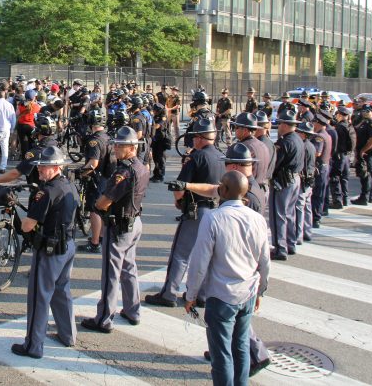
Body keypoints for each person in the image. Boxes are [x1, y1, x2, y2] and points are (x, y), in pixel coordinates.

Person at [184, 171, 270, 386]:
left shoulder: (213, 218)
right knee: (240, 347)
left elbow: (199, 261)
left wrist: (191, 293)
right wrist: (260, 290)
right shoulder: (257, 218)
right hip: (248, 290)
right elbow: (265, 261)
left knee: (222, 354)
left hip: (222, 294)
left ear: (223, 191)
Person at [146, 118, 225, 307]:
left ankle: (169, 293)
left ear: (199, 138)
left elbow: (180, 186)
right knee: (208, 254)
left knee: (181, 253)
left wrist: (179, 201)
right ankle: (203, 295)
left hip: (196, 210)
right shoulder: (222, 156)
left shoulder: (196, 157)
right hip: (216, 210)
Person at [11, 146, 79, 358]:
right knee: (61, 291)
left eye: (45, 166)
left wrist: (14, 207)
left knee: (39, 297)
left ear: (57, 167)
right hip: (67, 245)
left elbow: (28, 225)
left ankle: (33, 345)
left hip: (50, 249)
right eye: (39, 165)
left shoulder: (47, 191)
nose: (40, 169)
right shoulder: (69, 184)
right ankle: (68, 335)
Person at [80, 126, 149, 333]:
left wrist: (97, 206)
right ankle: (132, 310)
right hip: (134, 222)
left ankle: (104, 318)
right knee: (129, 269)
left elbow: (104, 201)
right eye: (116, 144)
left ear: (131, 147)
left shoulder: (124, 171)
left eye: (120, 145)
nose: (116, 147)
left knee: (111, 273)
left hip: (119, 226)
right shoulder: (141, 166)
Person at [269, 109, 304, 261]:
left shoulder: (284, 143)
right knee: (289, 214)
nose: (279, 127)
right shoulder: (298, 139)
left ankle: (280, 248)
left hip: (283, 181)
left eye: (280, 124)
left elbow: (275, 164)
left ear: (284, 125)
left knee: (278, 215)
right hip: (295, 179)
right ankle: (290, 243)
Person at [78, 108, 114, 253]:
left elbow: (94, 163)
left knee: (94, 209)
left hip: (97, 179)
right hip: (108, 177)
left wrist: (82, 172)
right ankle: (102, 237)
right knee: (104, 209)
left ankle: (94, 243)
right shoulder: (108, 137)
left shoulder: (94, 140)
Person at [351, 104, 372, 206]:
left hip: (368, 153)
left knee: (366, 175)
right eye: (364, 110)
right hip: (362, 152)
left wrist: (363, 150)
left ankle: (365, 197)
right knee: (364, 176)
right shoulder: (363, 122)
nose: (365, 112)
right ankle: (368, 196)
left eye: (368, 111)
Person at [294, 122, 317, 242]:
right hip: (310, 179)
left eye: (299, 132)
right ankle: (307, 231)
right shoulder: (311, 146)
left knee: (299, 208)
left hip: (303, 180)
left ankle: (298, 235)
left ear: (303, 134)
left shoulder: (303, 146)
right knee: (307, 207)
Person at [329, 106, 353, 208]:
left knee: (335, 178)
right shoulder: (349, 126)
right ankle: (345, 199)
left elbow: (335, 143)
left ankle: (337, 201)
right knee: (344, 179)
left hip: (338, 155)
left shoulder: (339, 128)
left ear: (339, 115)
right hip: (347, 155)